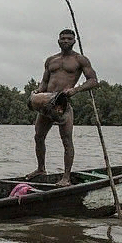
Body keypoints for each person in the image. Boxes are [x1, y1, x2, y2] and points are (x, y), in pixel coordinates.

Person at [26, 28, 99, 186]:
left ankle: (66, 177)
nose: (65, 41)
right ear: (58, 41)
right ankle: (41, 169)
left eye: (69, 38)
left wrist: (75, 90)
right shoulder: (51, 60)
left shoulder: (80, 60)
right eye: (63, 38)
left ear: (74, 41)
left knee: (66, 140)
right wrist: (38, 91)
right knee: (38, 136)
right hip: (47, 103)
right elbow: (45, 82)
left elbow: (93, 80)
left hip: (63, 104)